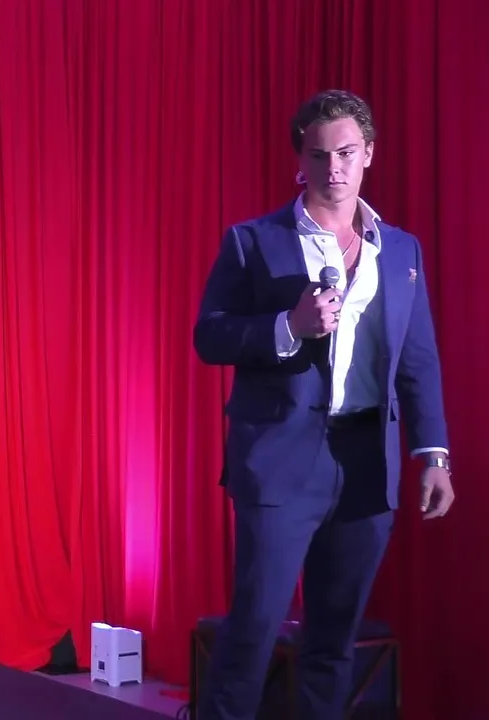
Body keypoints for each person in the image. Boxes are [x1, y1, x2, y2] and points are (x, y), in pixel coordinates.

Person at [192, 89, 455, 719]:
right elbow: (210, 335)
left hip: (365, 463)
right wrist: (289, 326)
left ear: (369, 154)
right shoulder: (254, 241)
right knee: (253, 631)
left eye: (346, 153)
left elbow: (418, 359)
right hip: (280, 464)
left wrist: (434, 453)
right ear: (301, 160)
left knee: (334, 642)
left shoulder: (401, 251)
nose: (333, 167)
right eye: (319, 154)